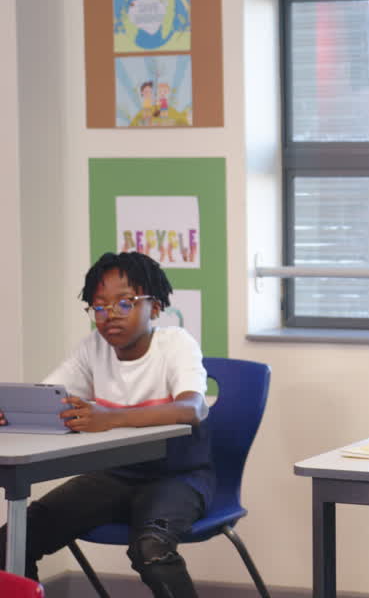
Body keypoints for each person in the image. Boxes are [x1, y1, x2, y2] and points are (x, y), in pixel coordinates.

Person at [0, 252, 211, 598]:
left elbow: (193, 408)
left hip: (177, 476)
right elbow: (47, 399)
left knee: (152, 550)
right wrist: (12, 412)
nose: (110, 315)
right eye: (99, 307)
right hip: (113, 476)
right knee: (12, 542)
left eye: (124, 303)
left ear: (154, 308)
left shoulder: (175, 343)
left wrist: (111, 418)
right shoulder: (92, 349)